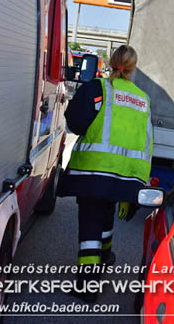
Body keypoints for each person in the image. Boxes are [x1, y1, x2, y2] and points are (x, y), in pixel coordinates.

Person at [61, 45, 153, 301]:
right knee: (106, 213)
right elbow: (147, 142)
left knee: (90, 221)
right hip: (125, 175)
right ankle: (105, 256)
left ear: (111, 63)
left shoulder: (98, 89)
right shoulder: (143, 100)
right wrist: (138, 183)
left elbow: (75, 123)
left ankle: (88, 286)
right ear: (133, 68)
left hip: (93, 171)